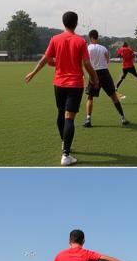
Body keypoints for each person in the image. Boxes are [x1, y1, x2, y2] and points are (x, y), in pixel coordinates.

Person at [24, 10, 99, 166]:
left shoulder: (55, 39)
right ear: (76, 23)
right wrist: (95, 78)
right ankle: (66, 154)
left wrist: (33, 72)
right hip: (75, 84)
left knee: (60, 113)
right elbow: (86, 63)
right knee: (69, 118)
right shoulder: (80, 41)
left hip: (58, 83)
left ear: (63, 23)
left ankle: (63, 142)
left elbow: (47, 59)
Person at [82, 29, 129, 128]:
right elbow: (107, 60)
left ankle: (88, 120)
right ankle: (123, 118)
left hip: (93, 73)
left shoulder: (87, 48)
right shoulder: (103, 48)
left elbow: (86, 62)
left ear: (90, 38)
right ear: (97, 37)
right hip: (105, 73)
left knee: (90, 97)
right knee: (113, 96)